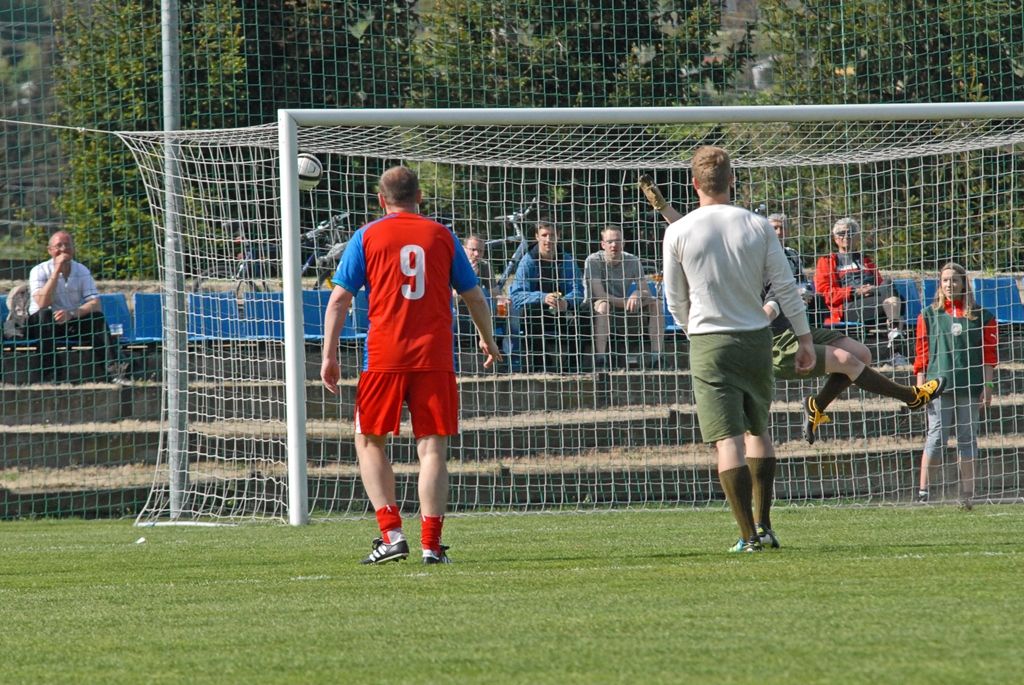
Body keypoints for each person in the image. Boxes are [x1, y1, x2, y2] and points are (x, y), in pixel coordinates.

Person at [641, 177, 946, 549]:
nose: (777, 230)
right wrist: (665, 211)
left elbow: (708, 239)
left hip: (784, 328)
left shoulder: (774, 250)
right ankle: (909, 396)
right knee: (846, 362)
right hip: (770, 338)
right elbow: (704, 233)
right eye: (774, 225)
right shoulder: (748, 242)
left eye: (781, 227)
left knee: (862, 355)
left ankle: (818, 405)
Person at [320, 166, 502, 565]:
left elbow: (338, 300)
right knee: (432, 447)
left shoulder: (366, 235)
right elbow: (474, 295)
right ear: (420, 196)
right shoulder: (442, 235)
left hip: (384, 356)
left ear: (381, 200)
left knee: (368, 440)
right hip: (434, 356)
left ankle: (391, 534)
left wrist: (329, 354)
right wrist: (489, 340)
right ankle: (432, 545)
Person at [655, 148, 815, 554]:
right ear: (733, 181)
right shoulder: (758, 225)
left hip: (709, 340)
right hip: (756, 337)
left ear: (694, 184)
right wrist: (805, 338)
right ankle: (764, 526)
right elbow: (786, 285)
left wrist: (695, 329)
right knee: (758, 430)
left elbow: (674, 298)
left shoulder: (678, 231)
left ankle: (747, 537)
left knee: (726, 440)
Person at [913, 262, 997, 511]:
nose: (950, 284)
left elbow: (989, 356)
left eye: (955, 280)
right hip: (938, 387)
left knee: (967, 439)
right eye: (946, 280)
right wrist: (921, 388)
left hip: (970, 387)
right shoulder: (928, 315)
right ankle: (923, 492)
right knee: (936, 437)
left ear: (964, 284)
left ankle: (967, 494)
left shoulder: (983, 316)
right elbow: (921, 356)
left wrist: (988, 385)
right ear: (940, 284)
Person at [26, 230, 114, 383]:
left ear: (73, 249)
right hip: (41, 325)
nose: (63, 249)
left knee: (97, 318)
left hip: (69, 320)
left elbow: (95, 303)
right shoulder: (38, 270)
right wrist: (57, 271)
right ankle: (50, 376)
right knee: (45, 314)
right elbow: (42, 303)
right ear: (50, 250)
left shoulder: (82, 270)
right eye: (58, 245)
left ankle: (114, 371)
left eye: (67, 245)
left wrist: (72, 314)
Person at [508, 219, 585, 372]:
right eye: (544, 235)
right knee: (530, 313)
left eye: (552, 235)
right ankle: (542, 367)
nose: (548, 239)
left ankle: (572, 367)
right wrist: (543, 297)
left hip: (562, 311)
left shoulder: (567, 260)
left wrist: (567, 302)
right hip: (538, 312)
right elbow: (517, 294)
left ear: (559, 236)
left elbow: (578, 291)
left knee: (582, 316)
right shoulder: (528, 261)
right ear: (537, 236)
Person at [583, 226, 664, 368]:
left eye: (618, 241)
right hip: (594, 308)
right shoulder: (593, 261)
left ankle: (657, 357)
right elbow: (600, 294)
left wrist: (637, 293)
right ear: (603, 244)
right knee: (603, 305)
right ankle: (600, 358)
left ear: (624, 243)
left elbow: (646, 292)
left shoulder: (632, 260)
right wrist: (626, 302)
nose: (614, 245)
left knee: (656, 303)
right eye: (610, 242)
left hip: (623, 309)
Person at [814, 218, 903, 336]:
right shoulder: (827, 261)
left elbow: (882, 286)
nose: (846, 236)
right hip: (847, 308)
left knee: (888, 284)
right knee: (895, 302)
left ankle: (894, 330)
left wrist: (871, 289)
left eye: (851, 233)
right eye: (841, 233)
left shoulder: (866, 261)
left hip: (873, 300)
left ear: (857, 237)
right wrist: (855, 291)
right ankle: (895, 330)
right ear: (835, 238)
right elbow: (824, 293)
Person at [454, 234, 499, 347]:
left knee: (485, 294)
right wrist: (469, 278)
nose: (477, 254)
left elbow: (495, 293)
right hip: (457, 314)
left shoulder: (484, 266)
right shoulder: (454, 264)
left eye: (480, 251)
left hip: (479, 314)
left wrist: (503, 299)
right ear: (464, 249)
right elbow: (451, 300)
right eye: (473, 250)